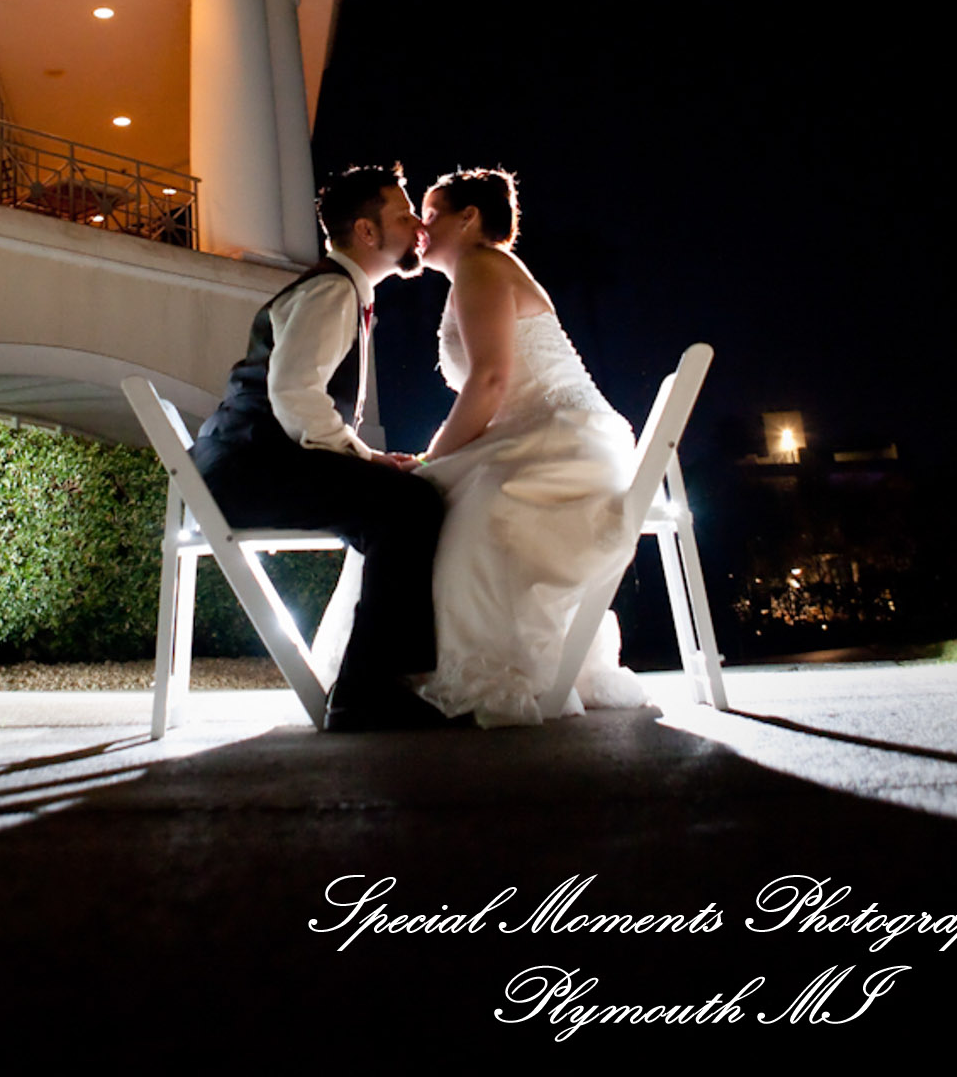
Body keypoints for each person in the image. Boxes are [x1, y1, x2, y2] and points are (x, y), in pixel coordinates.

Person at [191, 165, 449, 733]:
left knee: (398, 501)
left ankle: (371, 682)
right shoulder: (332, 290)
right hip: (248, 471)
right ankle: (367, 692)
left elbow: (297, 400)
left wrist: (367, 460)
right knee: (411, 505)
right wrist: (365, 461)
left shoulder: (335, 288)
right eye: (404, 215)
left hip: (241, 465)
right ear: (367, 231)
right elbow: (294, 393)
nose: (417, 226)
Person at [415, 167, 649, 728]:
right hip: (541, 433)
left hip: (561, 438)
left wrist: (431, 458)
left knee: (441, 498)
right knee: (428, 494)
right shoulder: (477, 271)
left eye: (431, 215)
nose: (421, 228)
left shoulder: (481, 265)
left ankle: (483, 668)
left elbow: (491, 381)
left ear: (468, 218)